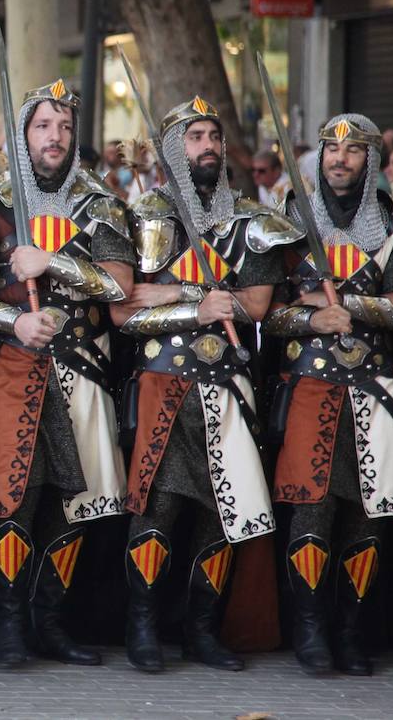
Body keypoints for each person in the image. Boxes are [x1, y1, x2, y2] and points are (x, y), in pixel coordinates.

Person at [111, 95, 298, 673]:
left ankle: (202, 629)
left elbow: (259, 303)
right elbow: (124, 307)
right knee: (160, 509)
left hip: (229, 383)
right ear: (173, 149)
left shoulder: (251, 219)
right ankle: (143, 626)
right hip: (163, 378)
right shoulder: (146, 213)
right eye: (194, 137)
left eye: (213, 136)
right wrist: (193, 300)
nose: (208, 146)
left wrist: (213, 301)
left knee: (223, 511)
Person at [0, 80, 134, 667]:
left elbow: (118, 287)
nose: (54, 137)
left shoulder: (101, 202)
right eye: (42, 126)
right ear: (24, 134)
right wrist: (14, 323)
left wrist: (52, 262)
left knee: (75, 503)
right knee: (17, 497)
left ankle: (50, 622)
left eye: (63, 126)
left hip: (82, 366)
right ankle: (8, 625)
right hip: (13, 366)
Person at [265, 114, 393, 676]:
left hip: (375, 385)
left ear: (369, 159)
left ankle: (352, 632)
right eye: (331, 150)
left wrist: (346, 308)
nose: (339, 158)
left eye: (352, 150)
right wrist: (310, 319)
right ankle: (310, 633)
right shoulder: (290, 219)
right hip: (309, 382)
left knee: (368, 513)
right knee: (313, 508)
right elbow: (267, 310)